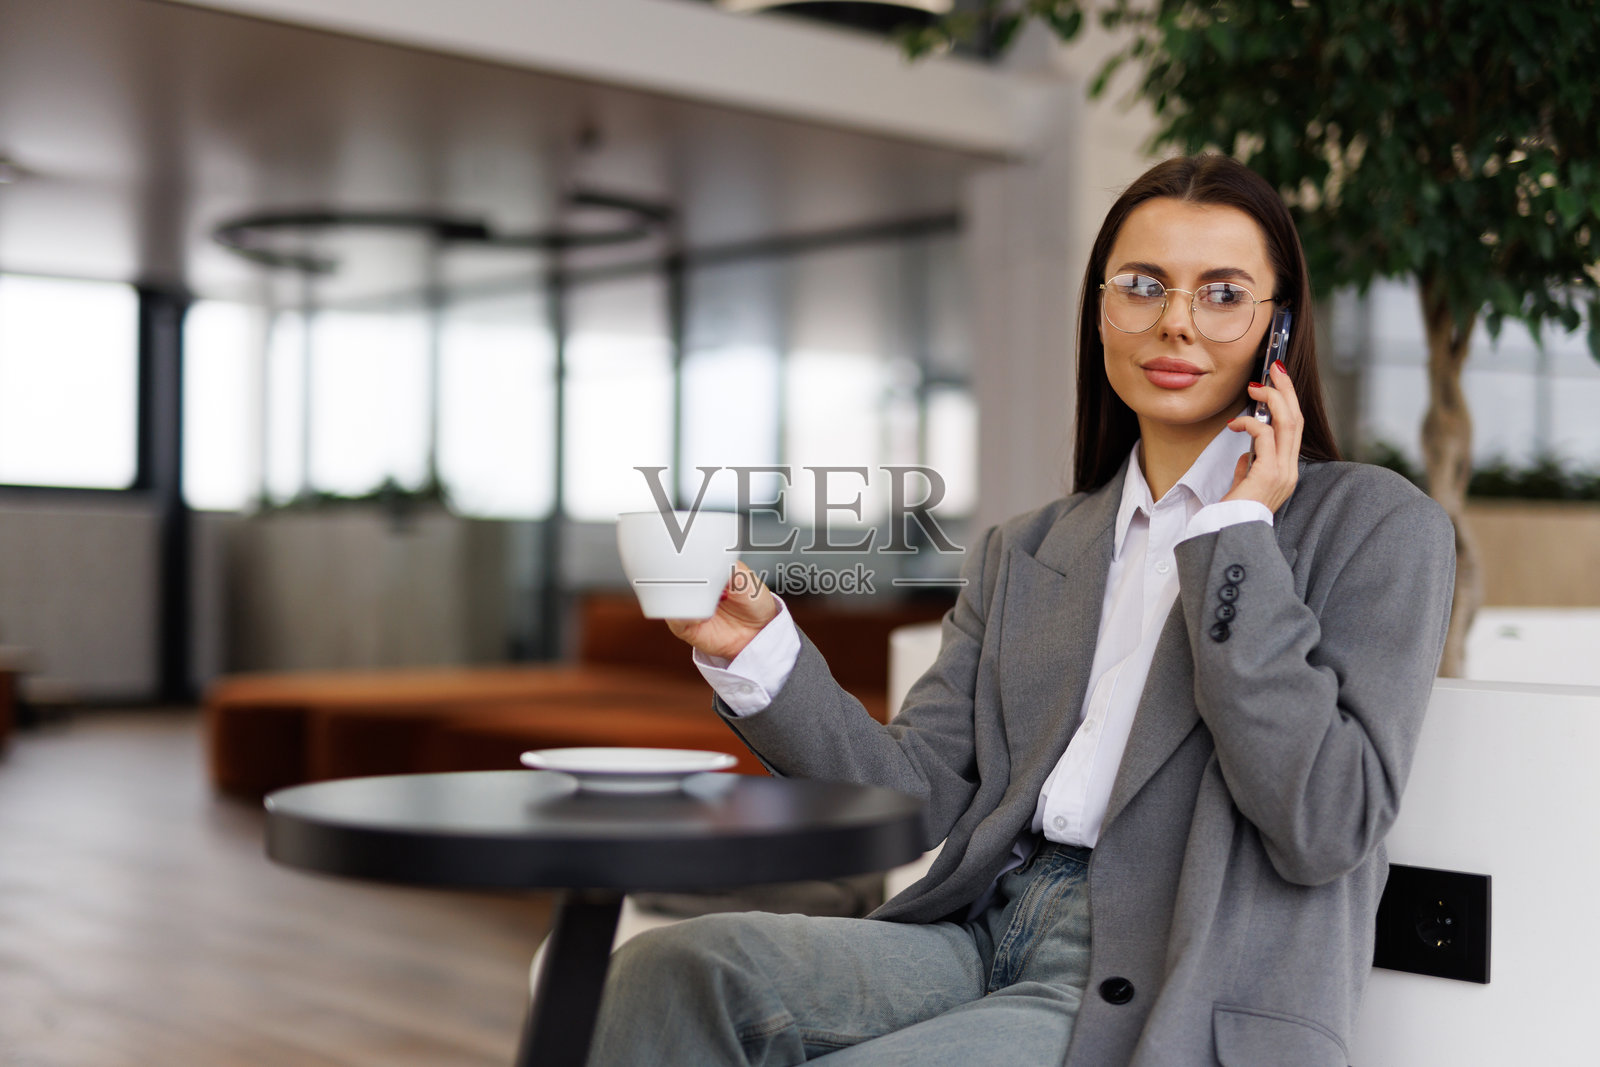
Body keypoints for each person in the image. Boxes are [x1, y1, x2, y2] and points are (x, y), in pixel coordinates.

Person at [588, 154, 1456, 1066]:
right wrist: (761, 651)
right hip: (982, 932)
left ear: (1278, 330)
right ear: (1101, 307)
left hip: (1168, 976)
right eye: (1143, 285)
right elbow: (916, 794)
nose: (1176, 322)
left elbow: (1325, 820)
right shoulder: (1031, 545)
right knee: (665, 969)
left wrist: (1236, 533)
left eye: (1224, 293)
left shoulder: (1372, 524)